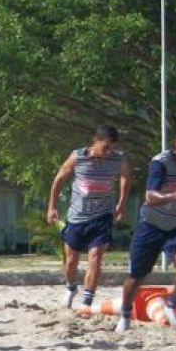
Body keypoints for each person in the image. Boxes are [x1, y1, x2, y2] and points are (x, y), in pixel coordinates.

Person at [115, 127, 176, 333]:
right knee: (137, 276)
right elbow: (150, 197)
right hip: (151, 224)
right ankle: (125, 314)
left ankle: (172, 305)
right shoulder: (161, 162)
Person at [47, 124, 131, 315]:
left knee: (95, 258)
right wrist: (52, 206)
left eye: (112, 147)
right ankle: (70, 286)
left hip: (102, 217)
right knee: (71, 261)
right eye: (105, 147)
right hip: (76, 217)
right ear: (96, 141)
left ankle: (87, 301)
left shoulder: (118, 159)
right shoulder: (78, 156)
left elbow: (126, 176)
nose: (109, 151)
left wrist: (121, 203)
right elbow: (59, 179)